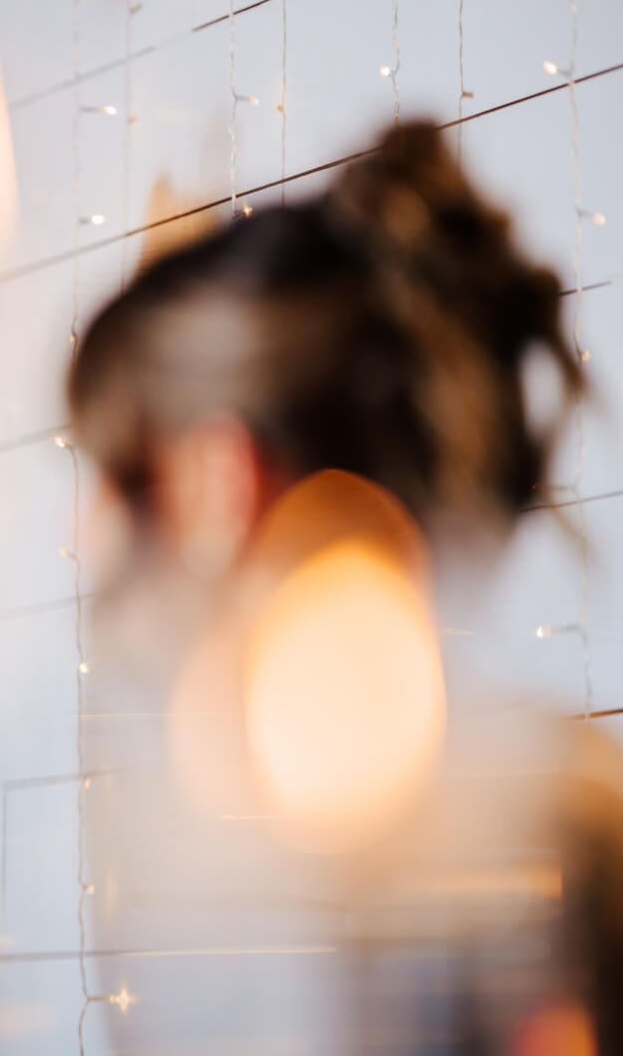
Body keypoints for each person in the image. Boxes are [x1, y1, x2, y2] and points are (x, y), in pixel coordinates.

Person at [65, 123, 623, 1051]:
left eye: (118, 478)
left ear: (218, 479)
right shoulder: (576, 807)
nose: (80, 538)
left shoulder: (533, 846)